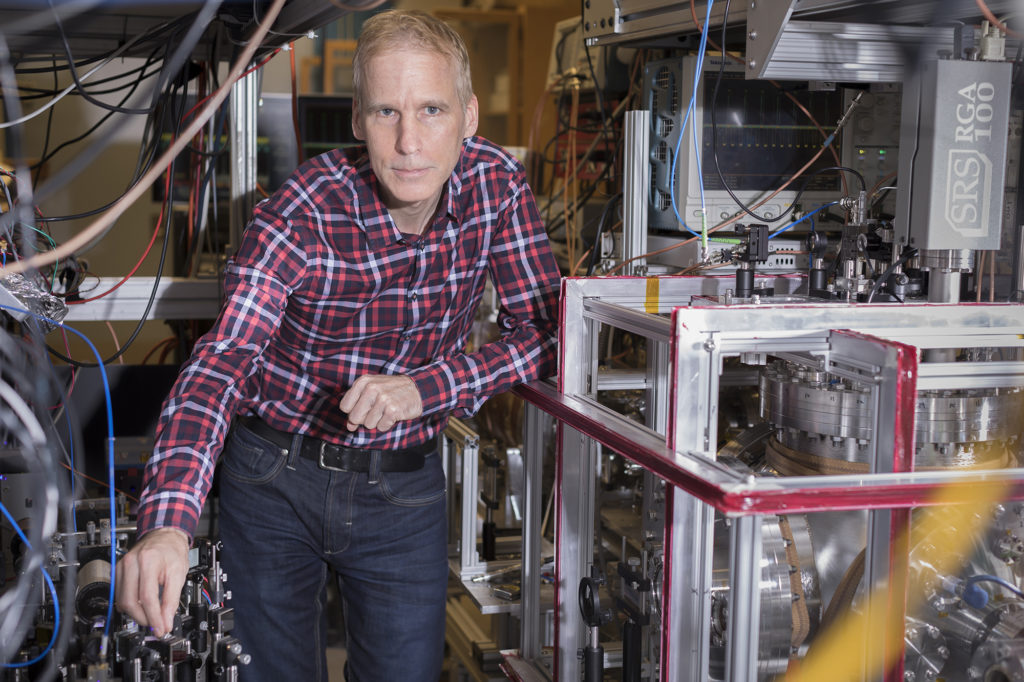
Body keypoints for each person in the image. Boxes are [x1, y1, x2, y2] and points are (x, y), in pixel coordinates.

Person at [114, 9, 561, 681]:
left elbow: (545, 333)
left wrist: (426, 388)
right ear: (357, 121)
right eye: (386, 112)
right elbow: (221, 365)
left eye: (431, 109)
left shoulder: (497, 189)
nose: (409, 141)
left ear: (469, 116)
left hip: (403, 489)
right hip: (271, 481)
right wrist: (168, 522)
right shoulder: (300, 213)